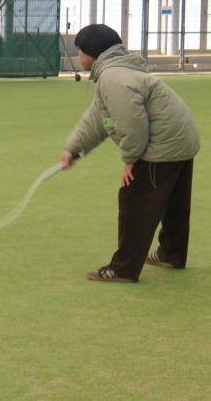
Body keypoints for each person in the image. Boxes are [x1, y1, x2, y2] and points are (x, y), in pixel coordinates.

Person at [59, 24, 200, 283]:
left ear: (93, 53)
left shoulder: (113, 78)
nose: (78, 57)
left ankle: (122, 268)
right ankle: (170, 253)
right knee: (174, 203)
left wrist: (131, 160)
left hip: (164, 145)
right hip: (182, 140)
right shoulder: (120, 72)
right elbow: (99, 119)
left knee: (134, 200)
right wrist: (74, 149)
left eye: (80, 51)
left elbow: (131, 123)